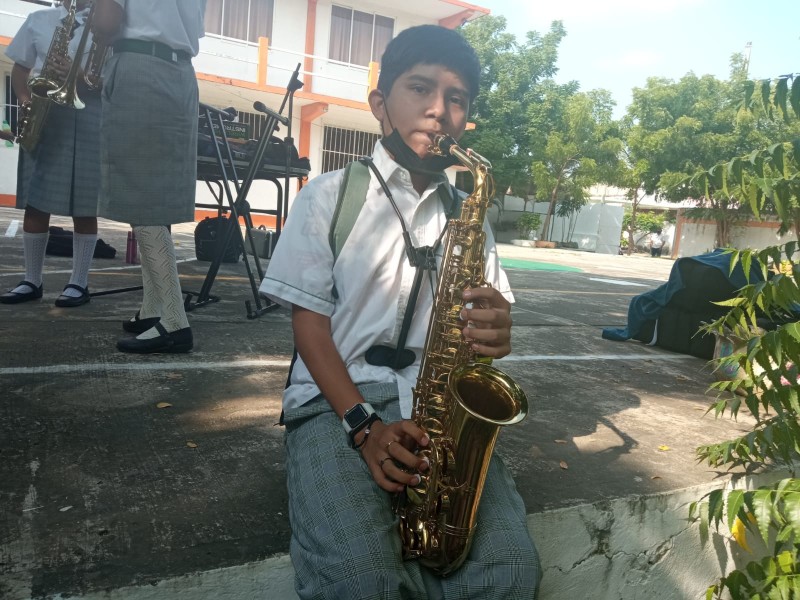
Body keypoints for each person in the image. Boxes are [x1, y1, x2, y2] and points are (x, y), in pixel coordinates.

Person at [260, 24, 541, 599]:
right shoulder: (329, 194)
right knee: (362, 583)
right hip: (335, 404)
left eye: (457, 98)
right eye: (421, 88)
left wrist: (496, 333)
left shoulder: (471, 213)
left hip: (435, 405)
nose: (439, 111)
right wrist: (364, 428)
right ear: (380, 105)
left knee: (510, 572)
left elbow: (480, 332)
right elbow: (308, 326)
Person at [92, 0, 206, 353]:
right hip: (179, 74)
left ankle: (174, 321)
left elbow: (107, 21)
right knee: (152, 197)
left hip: (143, 68)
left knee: (143, 200)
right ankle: (155, 308)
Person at [1, 0, 100, 308]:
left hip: (87, 115)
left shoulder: (105, 26)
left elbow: (104, 82)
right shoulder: (38, 19)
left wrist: (77, 73)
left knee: (84, 204)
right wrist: (25, 99)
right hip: (44, 113)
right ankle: (32, 280)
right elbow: (21, 68)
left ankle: (78, 283)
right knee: (35, 200)